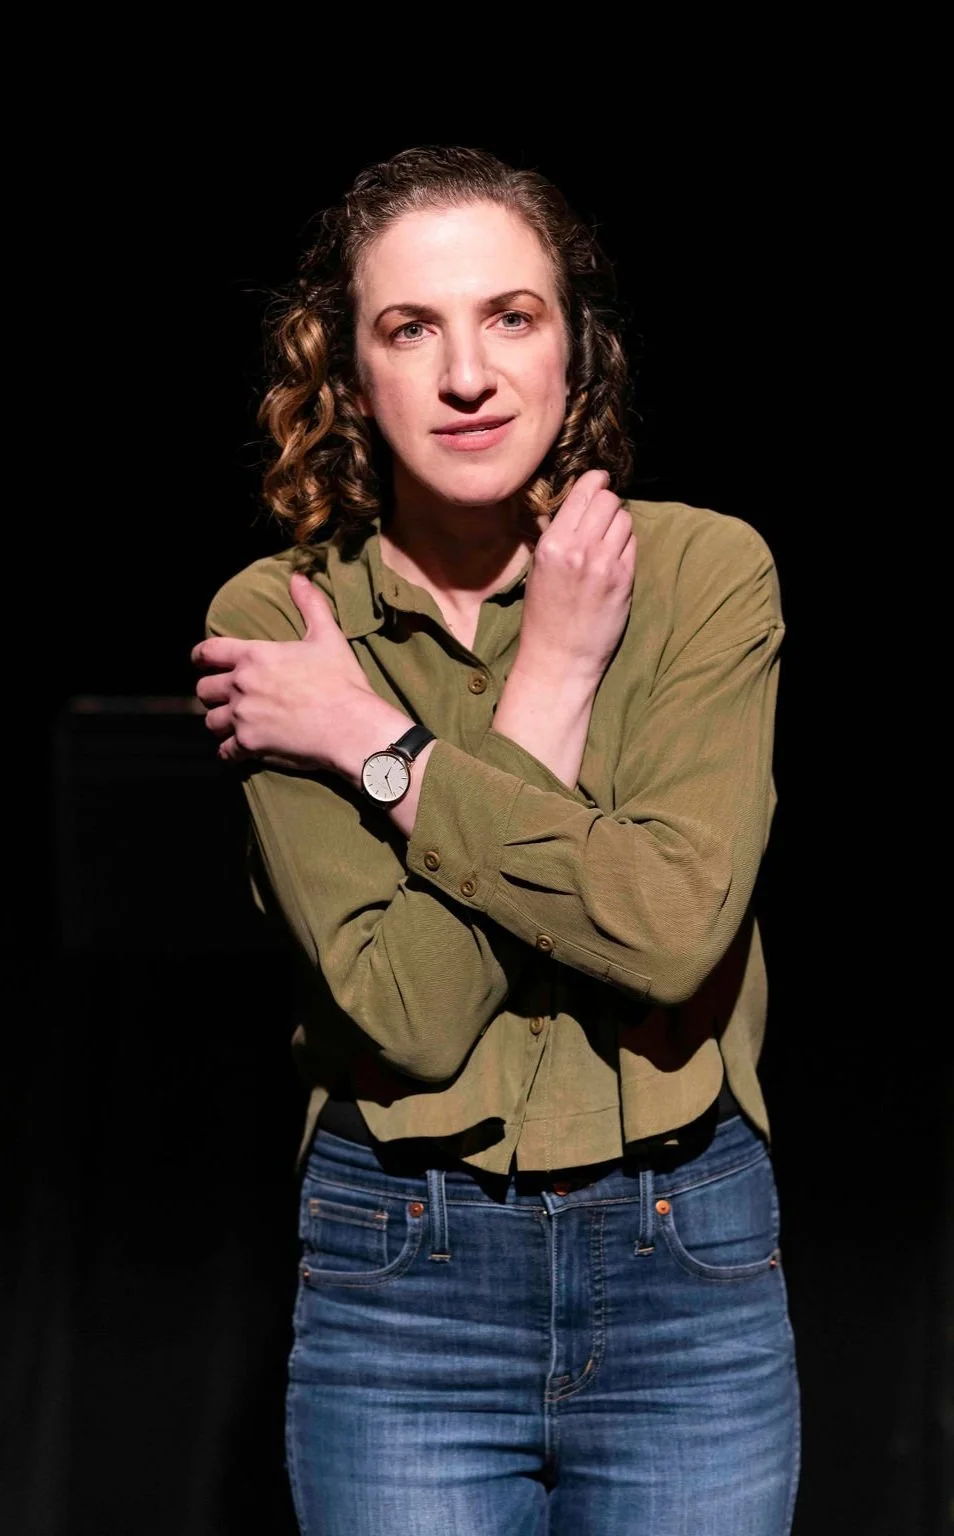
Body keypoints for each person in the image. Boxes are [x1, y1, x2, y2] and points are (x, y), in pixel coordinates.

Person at [191, 145, 799, 1536]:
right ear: (347, 375)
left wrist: (377, 748)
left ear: (577, 350)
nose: (468, 375)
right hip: (403, 1268)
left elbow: (666, 932)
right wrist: (545, 698)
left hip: (680, 1255)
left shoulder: (702, 573)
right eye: (412, 328)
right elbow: (406, 1017)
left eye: (509, 316)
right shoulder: (285, 622)